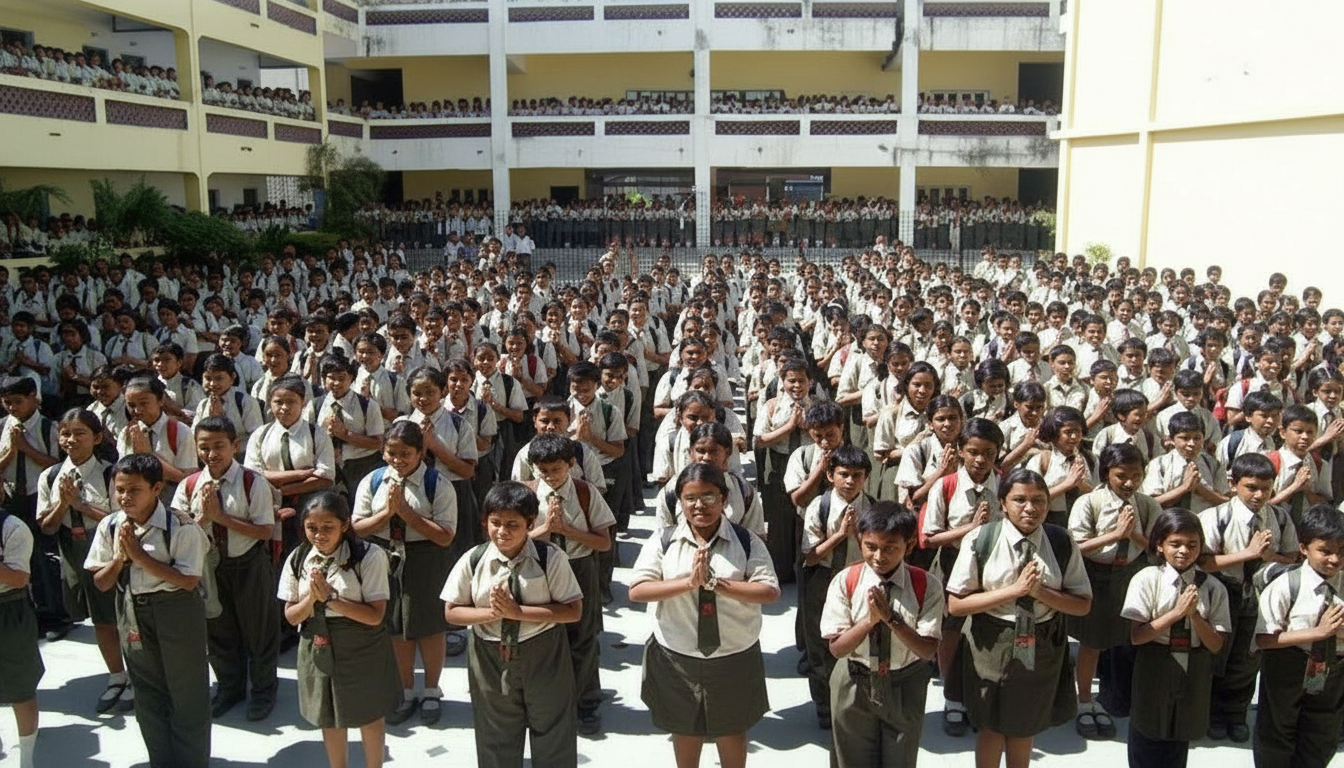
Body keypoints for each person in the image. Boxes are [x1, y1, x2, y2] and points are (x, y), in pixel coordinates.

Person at [629, 463, 780, 768]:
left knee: (732, 731)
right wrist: (688, 583)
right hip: (677, 655)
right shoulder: (663, 541)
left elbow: (769, 592)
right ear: (679, 501)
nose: (700, 506)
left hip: (733, 654)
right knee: (685, 731)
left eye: (710, 497)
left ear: (724, 499)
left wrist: (718, 584)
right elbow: (638, 590)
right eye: (691, 498)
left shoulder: (747, 542)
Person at [946, 468, 1092, 768]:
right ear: (1003, 503)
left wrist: (1042, 594)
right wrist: (1014, 591)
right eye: (1020, 500)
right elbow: (957, 605)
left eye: (1039, 500)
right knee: (991, 723)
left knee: (1025, 724)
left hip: (1041, 645)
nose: (1030, 508)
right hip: (991, 642)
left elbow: (1082, 605)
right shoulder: (982, 538)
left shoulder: (1061, 541)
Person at [443, 481, 583, 768]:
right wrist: (493, 614)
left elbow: (572, 611)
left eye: (512, 524)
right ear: (485, 522)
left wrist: (519, 612)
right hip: (490, 655)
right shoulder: (474, 559)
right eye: (495, 523)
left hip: (542, 652)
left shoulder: (549, 559)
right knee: (495, 734)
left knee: (552, 730)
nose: (502, 532)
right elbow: (452, 612)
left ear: (530, 524)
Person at [85, 453, 211, 768]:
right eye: (120, 489)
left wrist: (140, 557)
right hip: (132, 609)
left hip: (176, 611)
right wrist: (119, 559)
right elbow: (101, 583)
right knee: (147, 691)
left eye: (134, 490)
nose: (125, 497)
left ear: (157, 489)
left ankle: (191, 761)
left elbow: (187, 580)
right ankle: (162, 760)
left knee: (186, 691)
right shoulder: (110, 525)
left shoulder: (180, 526)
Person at [278, 491, 398, 768]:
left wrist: (332, 599)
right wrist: (312, 599)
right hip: (319, 642)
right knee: (327, 714)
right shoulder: (299, 559)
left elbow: (375, 616)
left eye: (328, 527)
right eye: (312, 528)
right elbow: (292, 616)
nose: (319, 535)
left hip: (361, 643)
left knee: (368, 713)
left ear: (345, 525)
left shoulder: (369, 556)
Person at [171, 416, 280, 721]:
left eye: (219, 446)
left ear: (235, 446)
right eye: (203, 447)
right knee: (217, 629)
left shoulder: (251, 482)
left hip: (247, 564)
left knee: (258, 630)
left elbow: (264, 530)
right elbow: (181, 532)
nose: (211, 454)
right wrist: (204, 520)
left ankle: (263, 689)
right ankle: (230, 686)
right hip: (208, 564)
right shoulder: (190, 485)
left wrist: (220, 518)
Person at [351, 420, 457, 726]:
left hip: (426, 557)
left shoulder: (438, 484)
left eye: (405, 454)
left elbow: (446, 535)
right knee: (396, 625)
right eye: (391, 453)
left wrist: (407, 514)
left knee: (429, 626)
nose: (397, 460)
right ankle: (406, 689)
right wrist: (388, 513)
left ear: (420, 453)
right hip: (384, 555)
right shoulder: (373, 481)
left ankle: (432, 689)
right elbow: (358, 527)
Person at [822, 501, 941, 768]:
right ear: (860, 540)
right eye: (870, 546)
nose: (878, 556)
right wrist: (869, 621)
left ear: (908, 546)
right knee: (850, 759)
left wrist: (891, 619)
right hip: (855, 679)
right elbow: (837, 649)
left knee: (900, 758)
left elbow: (927, 650)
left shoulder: (925, 585)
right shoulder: (846, 581)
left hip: (904, 682)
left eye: (890, 548)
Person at [1121, 508, 1229, 768]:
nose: (1184, 551)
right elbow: (1137, 636)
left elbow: (1215, 644)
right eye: (1175, 544)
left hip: (1195, 662)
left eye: (1192, 545)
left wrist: (1194, 617)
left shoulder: (1213, 588)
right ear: (1160, 545)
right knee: (1148, 730)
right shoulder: (1146, 580)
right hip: (1155, 658)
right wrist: (1176, 613)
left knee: (1181, 732)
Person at [1067, 443, 1159, 738]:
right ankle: (1084, 702)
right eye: (1122, 476)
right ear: (1106, 473)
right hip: (1098, 575)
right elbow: (1077, 546)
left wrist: (1134, 536)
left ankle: (1118, 697)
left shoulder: (1146, 505)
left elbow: (1160, 547)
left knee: (1130, 639)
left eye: (1136, 475)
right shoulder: (1090, 502)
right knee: (1092, 643)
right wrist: (1116, 535)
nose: (1130, 482)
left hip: (1133, 574)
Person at [526, 433, 614, 734]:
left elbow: (603, 543)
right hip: (540, 567)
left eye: (556, 469)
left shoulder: (585, 493)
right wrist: (547, 530)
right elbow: (514, 540)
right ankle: (548, 699)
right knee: (543, 635)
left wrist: (568, 530)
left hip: (579, 567)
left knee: (582, 635)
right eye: (544, 471)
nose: (550, 477)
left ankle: (586, 701)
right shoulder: (526, 495)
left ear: (571, 464)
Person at [1253, 505, 1344, 768]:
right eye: (1325, 551)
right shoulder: (1286, 586)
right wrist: (1319, 632)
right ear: (1304, 548)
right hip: (1289, 663)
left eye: (1341, 552)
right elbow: (1264, 639)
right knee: (1277, 731)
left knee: (1322, 732)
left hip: (1333, 666)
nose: (1335, 560)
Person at [799, 444, 873, 727]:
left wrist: (859, 537)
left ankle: (854, 699)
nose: (851, 481)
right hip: (824, 578)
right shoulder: (820, 506)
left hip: (859, 580)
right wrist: (842, 535)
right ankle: (823, 702)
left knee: (857, 640)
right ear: (830, 475)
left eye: (858, 475)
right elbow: (811, 554)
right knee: (822, 642)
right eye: (844, 474)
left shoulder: (872, 507)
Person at [0, 462, 42, 768]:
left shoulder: (13, 528)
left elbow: (18, 578)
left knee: (20, 688)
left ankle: (25, 760)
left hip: (9, 609)